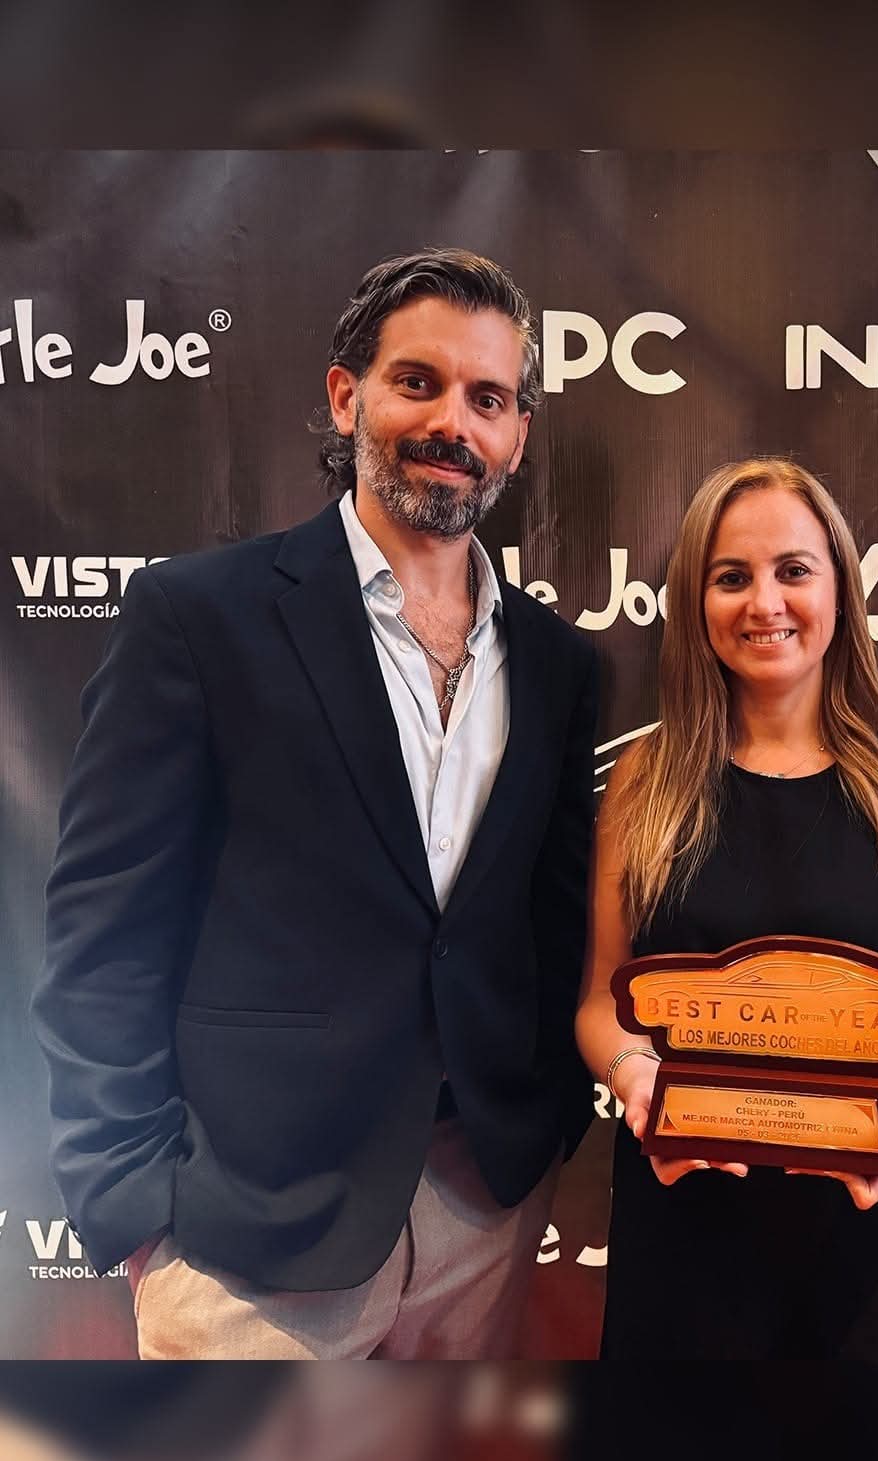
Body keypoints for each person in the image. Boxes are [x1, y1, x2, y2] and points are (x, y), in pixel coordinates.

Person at [31, 248, 599, 1358]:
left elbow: (550, 919)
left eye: (488, 398)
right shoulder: (199, 616)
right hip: (246, 1225)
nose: (453, 423)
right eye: (418, 382)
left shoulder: (557, 663)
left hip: (480, 1209)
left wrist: (542, 1126)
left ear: (519, 434)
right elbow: (104, 926)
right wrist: (134, 1201)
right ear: (348, 396)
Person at [574, 457, 878, 1357]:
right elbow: (603, 998)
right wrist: (638, 1081)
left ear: (839, 588)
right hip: (689, 1228)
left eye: (793, 570)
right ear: (695, 603)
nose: (764, 603)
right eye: (731, 577)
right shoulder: (645, 780)